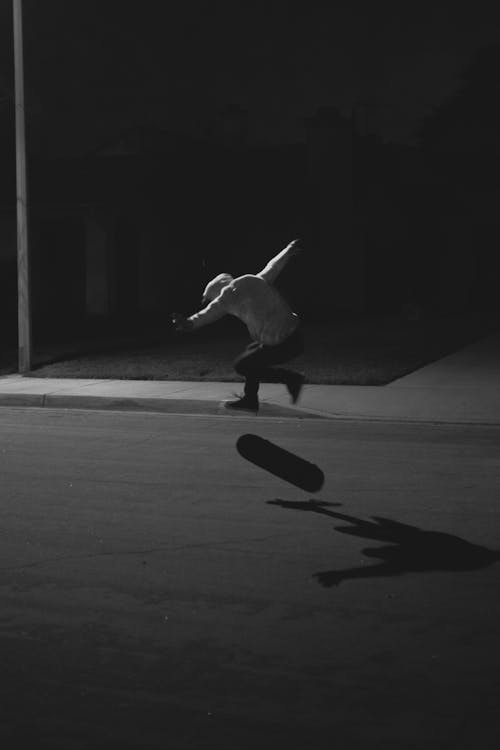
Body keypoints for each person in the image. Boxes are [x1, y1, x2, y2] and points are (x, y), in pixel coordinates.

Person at [171, 238, 305, 413]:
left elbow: (209, 313)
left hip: (282, 342)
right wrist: (288, 250)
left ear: (218, 293)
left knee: (242, 365)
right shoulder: (257, 279)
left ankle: (290, 378)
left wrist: (189, 323)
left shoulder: (227, 296)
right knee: (252, 352)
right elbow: (274, 265)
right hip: (296, 336)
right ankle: (250, 399)